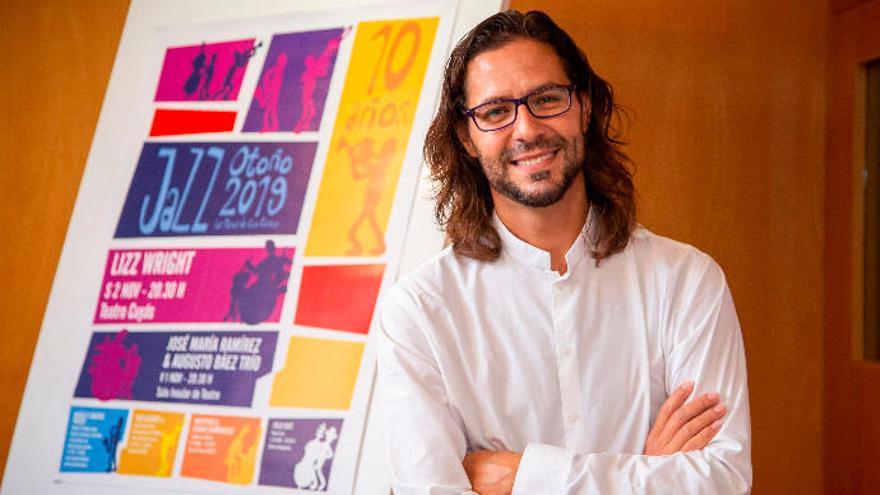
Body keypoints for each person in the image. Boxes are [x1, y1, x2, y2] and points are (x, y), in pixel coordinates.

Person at [377, 10, 751, 495]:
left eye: (547, 99)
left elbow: (723, 480)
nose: (527, 129)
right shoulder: (420, 312)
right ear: (467, 137)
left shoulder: (686, 282)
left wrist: (524, 478)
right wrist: (647, 472)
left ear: (585, 107)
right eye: (495, 112)